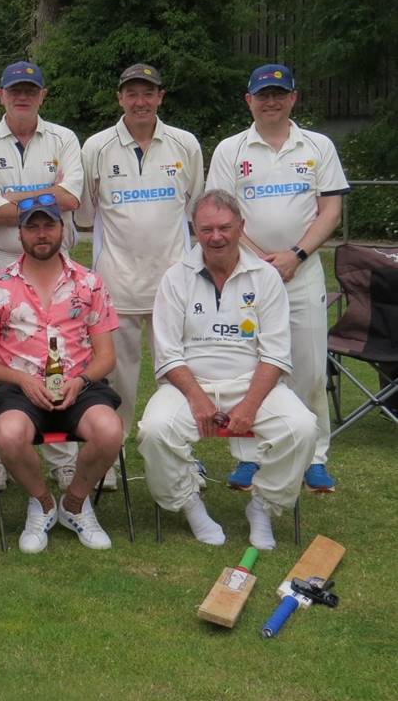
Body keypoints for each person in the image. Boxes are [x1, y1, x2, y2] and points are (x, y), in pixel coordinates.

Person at [137, 191, 317, 549]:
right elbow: (168, 353)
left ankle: (263, 506)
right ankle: (190, 504)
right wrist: (198, 397)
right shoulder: (176, 278)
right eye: (206, 229)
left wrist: (248, 407)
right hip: (190, 385)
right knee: (155, 431)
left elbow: (276, 354)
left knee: (302, 427)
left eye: (224, 227)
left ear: (241, 227)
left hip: (252, 385)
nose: (215, 236)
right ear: (194, 230)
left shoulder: (266, 277)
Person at [206, 64, 348, 492]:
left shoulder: (317, 146)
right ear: (248, 100)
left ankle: (313, 456)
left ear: (293, 98)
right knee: (250, 368)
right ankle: (251, 456)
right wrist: (261, 261)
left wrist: (296, 255)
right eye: (262, 95)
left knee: (308, 370)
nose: (271, 101)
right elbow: (222, 216)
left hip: (302, 274)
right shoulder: (231, 149)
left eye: (279, 94)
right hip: (247, 275)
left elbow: (330, 211)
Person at [0, 195, 123, 553]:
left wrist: (80, 381)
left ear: (62, 229)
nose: (41, 234)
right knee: (8, 435)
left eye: (49, 225)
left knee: (110, 430)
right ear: (19, 233)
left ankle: (75, 503)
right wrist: (22, 380)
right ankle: (42, 502)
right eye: (32, 226)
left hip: (78, 384)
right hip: (21, 388)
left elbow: (106, 356)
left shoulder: (89, 283)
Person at [77, 64, 204, 488]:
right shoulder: (97, 147)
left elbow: (194, 209)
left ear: (160, 97)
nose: (140, 101)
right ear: (120, 99)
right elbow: (86, 214)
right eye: (132, 93)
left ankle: (183, 457)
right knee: (117, 379)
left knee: (179, 374)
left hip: (173, 288)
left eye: (148, 93)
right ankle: (108, 458)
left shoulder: (184, 145)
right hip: (116, 285)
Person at [0, 61, 83, 489]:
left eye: (30, 90)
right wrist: (45, 197)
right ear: (0, 94)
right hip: (0, 261)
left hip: (55, 261)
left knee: (61, 352)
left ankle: (62, 456)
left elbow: (72, 196)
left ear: (42, 94)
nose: (22, 96)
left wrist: (15, 197)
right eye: (14, 89)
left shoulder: (64, 139)